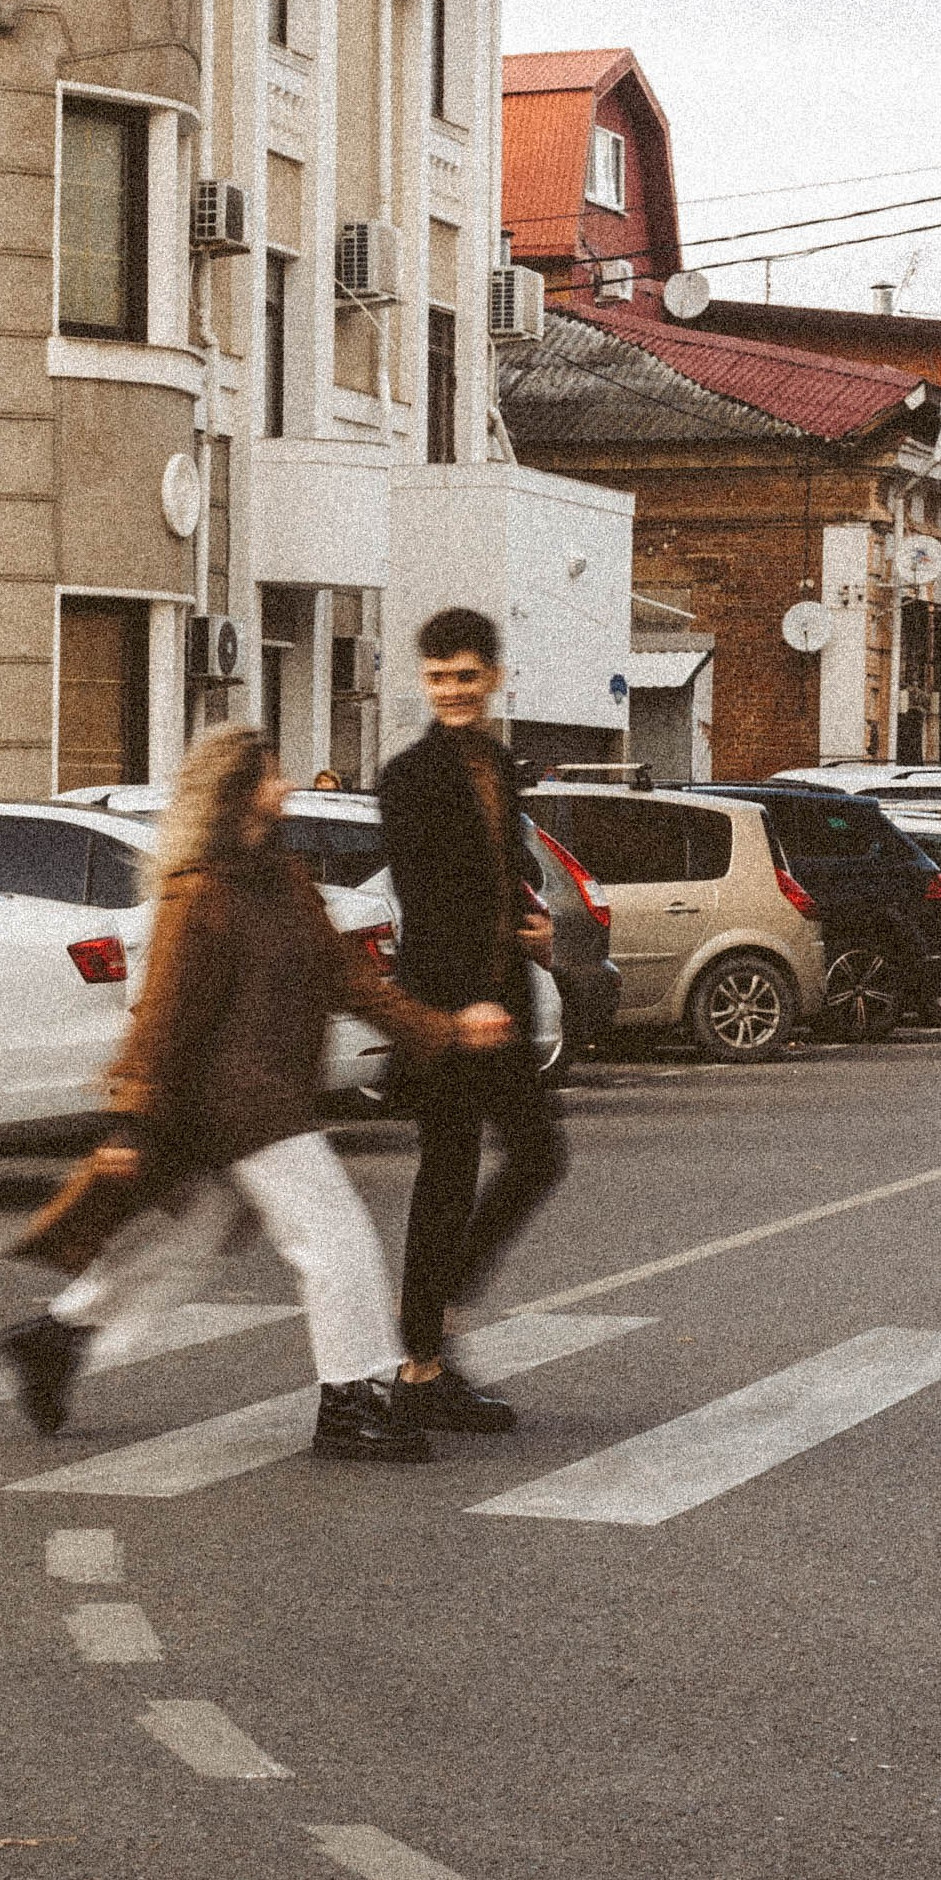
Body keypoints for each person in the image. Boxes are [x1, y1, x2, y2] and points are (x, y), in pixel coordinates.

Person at [0, 727, 511, 1461]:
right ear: (240, 791)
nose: (287, 786)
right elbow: (163, 1017)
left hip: (261, 1103)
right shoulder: (200, 894)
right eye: (272, 775)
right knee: (337, 1241)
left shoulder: (282, 882)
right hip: (242, 1107)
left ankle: (53, 1340)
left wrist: (445, 1030)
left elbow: (349, 980)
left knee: (183, 1245)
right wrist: (129, 1124)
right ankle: (351, 1401)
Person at [376, 605, 569, 1431]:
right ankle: (422, 1358)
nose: (449, 691)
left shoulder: (496, 760)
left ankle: (431, 1335)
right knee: (451, 1175)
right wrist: (466, 1001)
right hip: (452, 1008)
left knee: (532, 1157)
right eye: (436, 678)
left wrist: (537, 926)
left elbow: (498, 866)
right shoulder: (408, 777)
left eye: (464, 676)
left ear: (493, 678)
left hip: (503, 997)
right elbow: (427, 898)